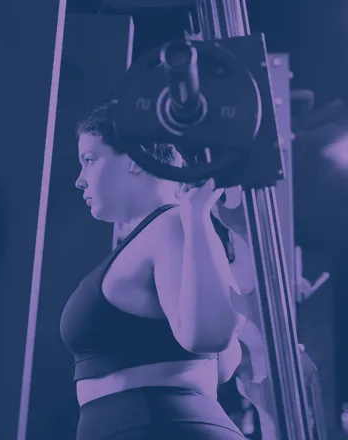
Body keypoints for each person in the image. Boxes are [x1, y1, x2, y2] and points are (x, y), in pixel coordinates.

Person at [60, 100, 255, 440]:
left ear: (136, 159)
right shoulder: (166, 232)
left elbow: (209, 339)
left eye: (89, 160)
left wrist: (195, 214)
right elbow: (221, 365)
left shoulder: (173, 224)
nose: (80, 180)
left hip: (160, 426)